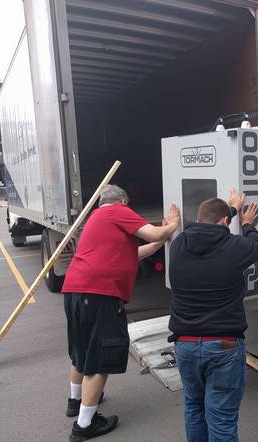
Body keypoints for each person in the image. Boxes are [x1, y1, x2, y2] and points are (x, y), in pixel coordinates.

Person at [62, 184, 180, 442]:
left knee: (81, 348)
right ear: (123, 202)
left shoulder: (97, 219)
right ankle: (84, 425)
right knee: (100, 355)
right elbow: (153, 233)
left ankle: (75, 401)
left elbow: (134, 253)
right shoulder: (117, 211)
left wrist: (161, 238)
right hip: (99, 293)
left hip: (75, 290)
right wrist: (172, 224)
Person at [168, 189, 258, 442]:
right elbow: (255, 245)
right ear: (225, 223)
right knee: (221, 417)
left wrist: (230, 211)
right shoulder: (235, 246)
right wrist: (246, 222)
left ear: (199, 220)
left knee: (194, 407)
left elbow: (198, 225)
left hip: (185, 344)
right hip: (223, 345)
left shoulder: (178, 245)